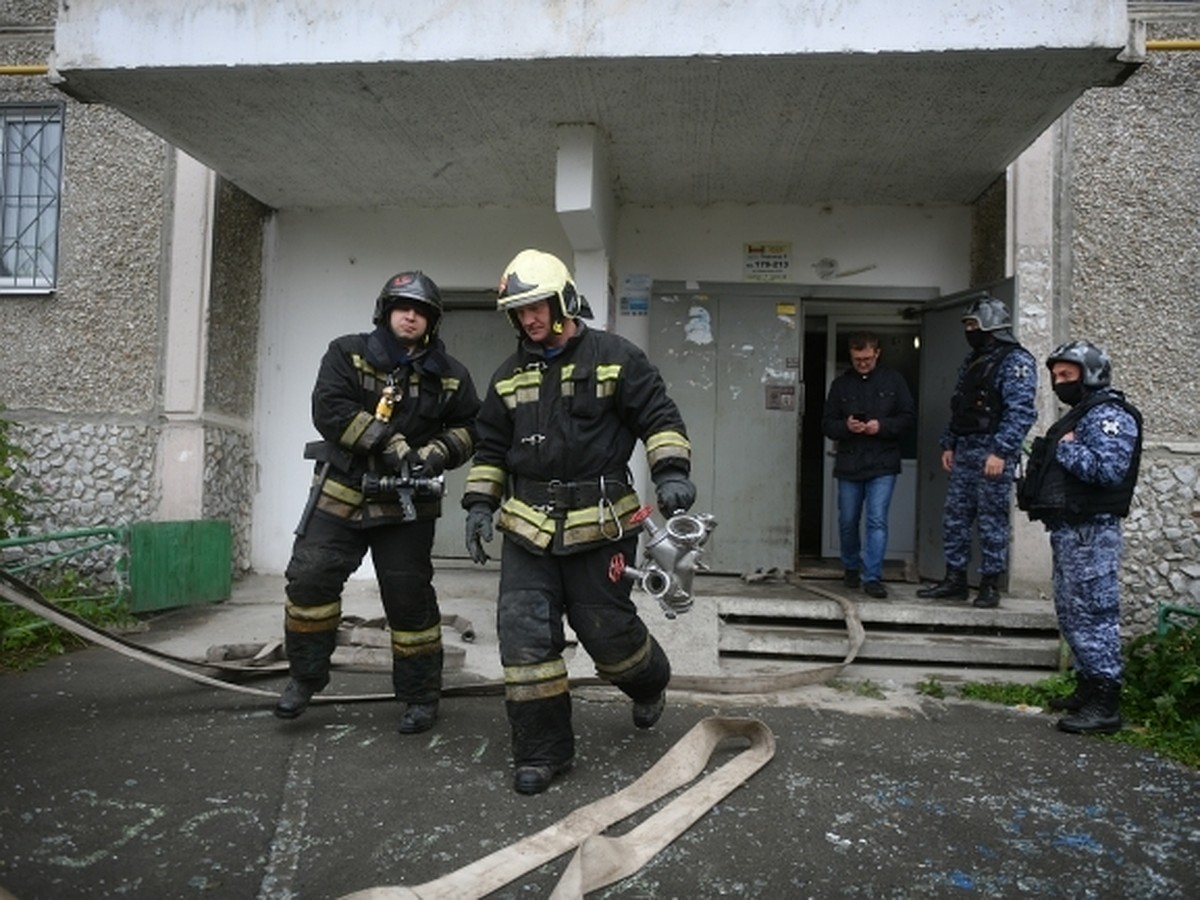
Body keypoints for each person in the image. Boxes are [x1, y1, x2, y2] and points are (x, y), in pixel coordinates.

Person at [462, 248, 695, 795]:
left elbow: (659, 417)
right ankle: (542, 753)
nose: (528, 319)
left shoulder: (617, 358)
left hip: (602, 529)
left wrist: (671, 473)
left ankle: (648, 685)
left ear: (564, 299)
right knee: (524, 641)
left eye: (537, 306)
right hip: (527, 530)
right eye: (518, 311)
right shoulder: (506, 377)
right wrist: (478, 503)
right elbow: (491, 447)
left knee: (608, 638)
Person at [274, 271, 480, 734]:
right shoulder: (346, 353)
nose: (411, 316)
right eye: (403, 307)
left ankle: (421, 697)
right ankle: (304, 680)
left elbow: (472, 426)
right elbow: (329, 409)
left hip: (406, 505)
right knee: (310, 581)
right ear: (385, 312)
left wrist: (439, 452)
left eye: (421, 311)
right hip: (340, 494)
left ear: (432, 321)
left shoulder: (450, 376)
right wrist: (388, 443)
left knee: (409, 600)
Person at [1017, 340, 1142, 734]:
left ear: (1090, 375)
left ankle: (1106, 702)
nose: (1058, 382)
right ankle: (1088, 688)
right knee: (1072, 613)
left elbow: (1108, 471)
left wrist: (1067, 451)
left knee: (1095, 615)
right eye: (1055, 376)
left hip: (1092, 532)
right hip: (1071, 530)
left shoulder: (1109, 416)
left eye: (1067, 376)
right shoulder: (1081, 416)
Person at [917, 295, 1037, 608]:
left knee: (991, 520)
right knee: (955, 517)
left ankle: (989, 584)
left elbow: (1020, 412)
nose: (968, 330)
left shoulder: (1016, 361)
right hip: (966, 448)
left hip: (993, 453)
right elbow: (960, 406)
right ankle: (955, 579)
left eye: (973, 325)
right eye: (967, 325)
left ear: (990, 326)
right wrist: (950, 442)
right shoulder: (972, 361)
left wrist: (1001, 451)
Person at [822, 331, 915, 599]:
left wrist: (882, 426)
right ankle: (851, 566)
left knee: (876, 520)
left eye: (866, 358)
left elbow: (908, 418)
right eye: (856, 359)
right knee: (848, 521)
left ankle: (872, 576)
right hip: (850, 462)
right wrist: (846, 426)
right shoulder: (841, 385)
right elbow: (827, 424)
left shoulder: (894, 381)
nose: (862, 363)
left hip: (883, 462)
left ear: (877, 353)